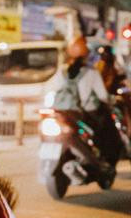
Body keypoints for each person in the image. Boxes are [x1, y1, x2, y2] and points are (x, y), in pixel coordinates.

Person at [48, 36, 118, 178]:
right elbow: (103, 96)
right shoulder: (91, 72)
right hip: (82, 113)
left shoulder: (61, 71)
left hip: (60, 112)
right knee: (108, 132)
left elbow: (51, 90)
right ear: (86, 55)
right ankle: (104, 162)